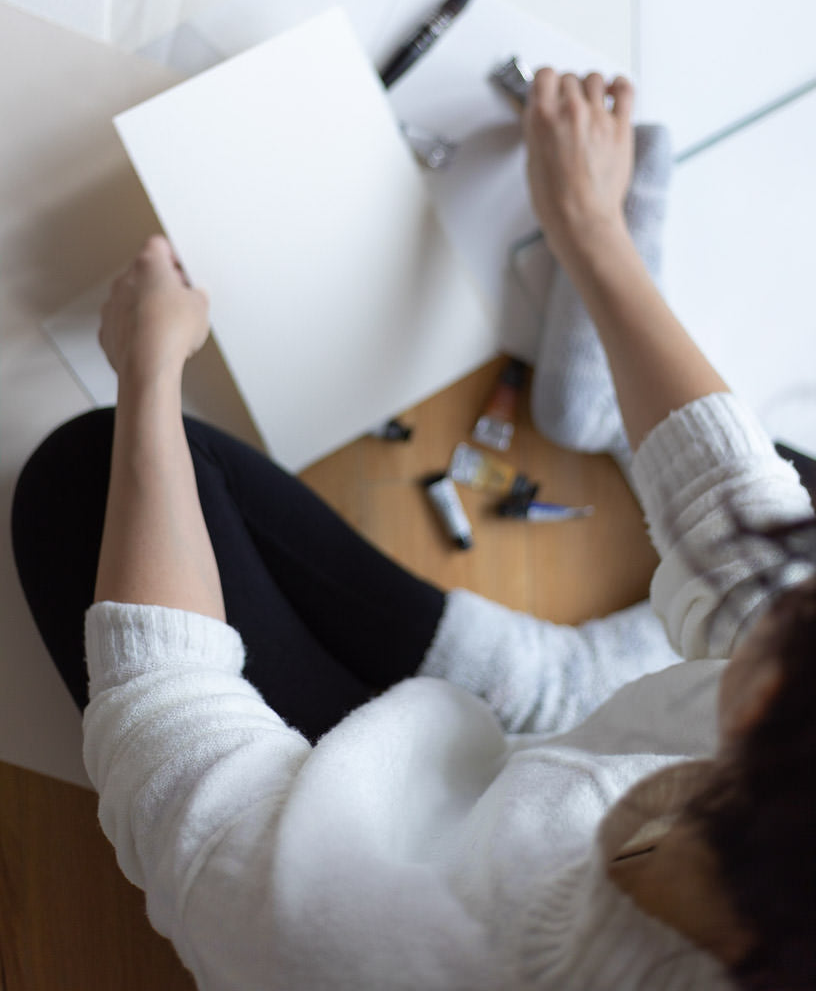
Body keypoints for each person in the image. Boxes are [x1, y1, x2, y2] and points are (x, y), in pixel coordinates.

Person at [11, 70, 816, 990]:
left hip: (380, 833)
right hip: (567, 776)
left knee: (82, 478)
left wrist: (147, 364)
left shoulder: (368, 952)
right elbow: (755, 541)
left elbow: (166, 732)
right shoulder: (777, 771)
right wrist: (592, 230)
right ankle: (569, 685)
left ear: (756, 719)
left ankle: (561, 687)